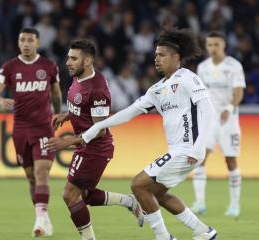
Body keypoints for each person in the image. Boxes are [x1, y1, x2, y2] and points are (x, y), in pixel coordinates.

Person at [81, 29, 218, 240]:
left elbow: (208, 110)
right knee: (155, 193)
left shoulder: (187, 78)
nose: (156, 59)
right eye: (155, 55)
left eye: (162, 55)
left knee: (138, 184)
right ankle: (203, 231)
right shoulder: (157, 89)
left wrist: (199, 144)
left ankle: (163, 237)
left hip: (188, 149)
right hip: (179, 150)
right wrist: (98, 126)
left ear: (176, 57)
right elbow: (129, 112)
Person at [46, 39, 144, 240]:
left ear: (88, 60)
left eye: (73, 58)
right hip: (85, 145)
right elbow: (81, 108)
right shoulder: (77, 77)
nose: (68, 62)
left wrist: (68, 141)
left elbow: (99, 130)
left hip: (96, 148)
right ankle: (129, 202)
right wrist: (66, 115)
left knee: (70, 195)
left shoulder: (97, 88)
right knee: (82, 195)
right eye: (68, 57)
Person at [0, 27, 62, 237]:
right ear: (18, 43)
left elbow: (57, 94)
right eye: (23, 40)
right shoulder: (9, 67)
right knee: (31, 177)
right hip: (20, 129)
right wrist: (0, 99)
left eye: (31, 40)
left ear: (38, 43)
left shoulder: (49, 66)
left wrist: (58, 113)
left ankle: (40, 219)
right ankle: (42, 216)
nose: (26, 43)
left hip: (43, 128)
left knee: (41, 173)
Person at [191, 32, 245, 217]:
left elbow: (238, 92)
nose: (213, 48)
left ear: (224, 46)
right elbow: (200, 93)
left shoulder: (233, 66)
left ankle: (235, 205)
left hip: (229, 120)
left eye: (216, 44)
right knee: (200, 158)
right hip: (209, 120)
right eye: (210, 44)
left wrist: (229, 108)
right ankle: (199, 203)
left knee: (230, 160)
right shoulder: (203, 67)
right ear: (206, 46)